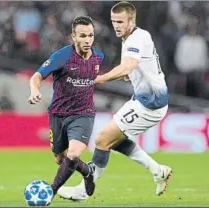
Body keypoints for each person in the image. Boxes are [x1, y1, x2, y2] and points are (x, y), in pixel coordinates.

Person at [57, 1, 172, 201]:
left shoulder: (136, 38)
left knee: (102, 139)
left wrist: (99, 79)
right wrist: (130, 73)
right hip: (144, 99)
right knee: (113, 140)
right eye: (113, 21)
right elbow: (135, 66)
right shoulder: (132, 37)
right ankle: (157, 170)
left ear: (131, 20)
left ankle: (84, 191)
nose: (116, 25)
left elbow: (127, 66)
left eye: (120, 21)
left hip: (150, 105)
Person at [28, 16, 104, 197]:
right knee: (60, 158)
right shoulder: (62, 56)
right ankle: (88, 172)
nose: (88, 40)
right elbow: (37, 76)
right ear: (74, 36)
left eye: (91, 35)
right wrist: (33, 90)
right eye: (83, 36)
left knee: (74, 153)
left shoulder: (99, 57)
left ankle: (50, 192)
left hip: (83, 114)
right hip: (58, 114)